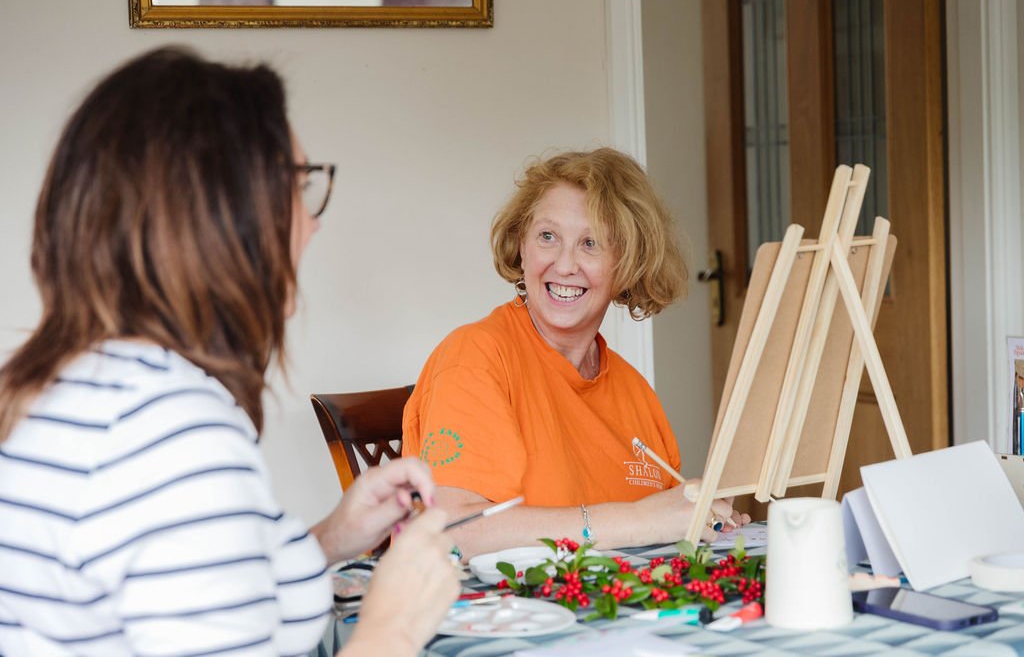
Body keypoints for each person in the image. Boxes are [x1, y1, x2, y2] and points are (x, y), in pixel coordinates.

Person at [0, 47, 459, 657]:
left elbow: (159, 585)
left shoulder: (46, 388)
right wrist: (395, 626)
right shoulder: (172, 431)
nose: (313, 222)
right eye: (298, 185)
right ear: (223, 215)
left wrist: (329, 538)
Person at [402, 148, 749, 558]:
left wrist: (699, 516)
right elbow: (456, 533)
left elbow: (659, 533)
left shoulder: (634, 391)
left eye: (591, 244)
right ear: (522, 246)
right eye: (548, 237)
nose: (565, 265)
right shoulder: (474, 358)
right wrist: (638, 519)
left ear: (629, 264)